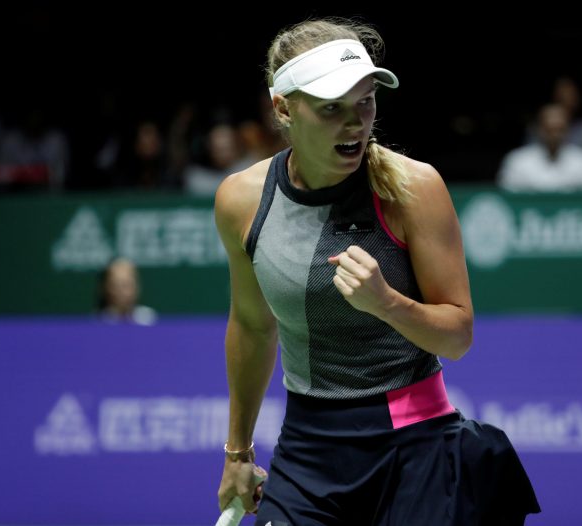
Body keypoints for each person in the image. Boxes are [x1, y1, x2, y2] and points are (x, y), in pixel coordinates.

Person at [214, 17, 540, 525]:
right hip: (307, 449)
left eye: (365, 102)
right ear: (283, 109)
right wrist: (238, 453)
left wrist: (386, 303)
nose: (356, 123)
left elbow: (457, 336)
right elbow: (253, 327)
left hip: (415, 446)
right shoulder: (242, 200)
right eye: (332, 108)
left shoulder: (413, 189)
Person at [96, 257, 157, 326]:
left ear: (137, 286)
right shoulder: (96, 323)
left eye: (126, 284)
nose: (120, 291)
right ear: (104, 287)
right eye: (115, 284)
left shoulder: (149, 321)